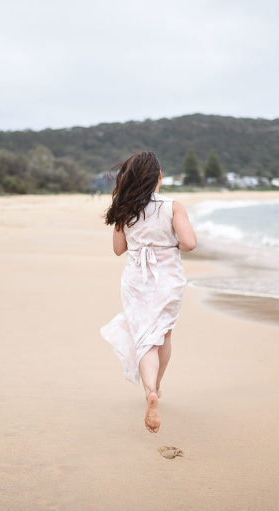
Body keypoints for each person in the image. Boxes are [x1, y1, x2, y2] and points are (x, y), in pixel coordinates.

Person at [100, 151, 197, 433]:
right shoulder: (173, 206)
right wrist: (169, 244)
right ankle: (156, 389)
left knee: (144, 337)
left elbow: (119, 249)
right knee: (163, 333)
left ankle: (150, 390)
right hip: (168, 277)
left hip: (136, 279)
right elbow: (189, 243)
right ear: (158, 178)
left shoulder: (124, 207)